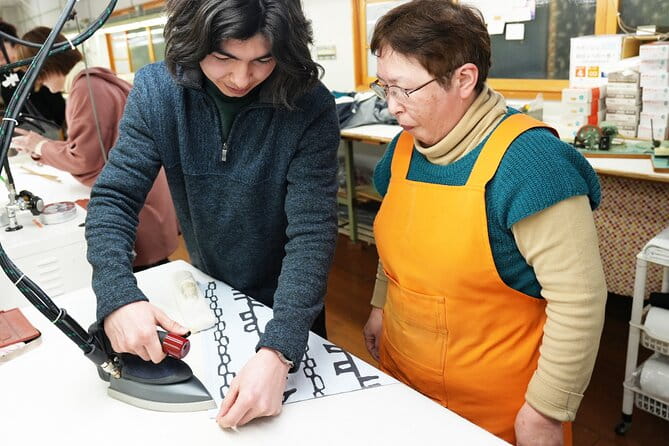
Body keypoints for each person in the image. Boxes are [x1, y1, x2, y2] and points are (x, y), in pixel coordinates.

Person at [84, 0, 339, 428]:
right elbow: (115, 197)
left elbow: (312, 233)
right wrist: (117, 297)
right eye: (223, 57)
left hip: (290, 303)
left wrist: (280, 350)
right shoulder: (158, 91)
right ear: (194, 42)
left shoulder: (308, 104)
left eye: (263, 60)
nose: (241, 78)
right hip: (208, 292)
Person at [361, 2, 607, 445]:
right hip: (403, 381)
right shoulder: (402, 150)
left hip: (493, 413)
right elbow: (395, 245)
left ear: (464, 79)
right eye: (385, 87)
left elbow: (580, 299)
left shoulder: (533, 164)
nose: (391, 106)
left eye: (405, 90)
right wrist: (380, 305)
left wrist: (547, 410)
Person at [11, 27, 178, 270]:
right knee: (157, 273)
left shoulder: (86, 89)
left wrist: (41, 145)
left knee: (148, 275)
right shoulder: (95, 81)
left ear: (47, 67)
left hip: (135, 200)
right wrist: (40, 147)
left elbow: (84, 159)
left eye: (39, 77)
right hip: (145, 191)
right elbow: (89, 146)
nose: (41, 85)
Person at [0, 21, 66, 128]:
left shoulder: (34, 65)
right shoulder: (4, 73)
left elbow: (56, 104)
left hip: (51, 124)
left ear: (15, 43)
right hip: (20, 128)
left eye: (2, 49)